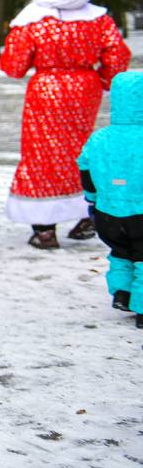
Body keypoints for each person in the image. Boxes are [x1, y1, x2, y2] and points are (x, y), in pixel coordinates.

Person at [2, 0, 131, 249]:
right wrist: (102, 81)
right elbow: (117, 54)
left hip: (46, 89)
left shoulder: (33, 18)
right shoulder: (97, 17)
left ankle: (44, 229)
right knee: (81, 148)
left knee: (41, 153)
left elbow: (14, 66)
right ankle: (87, 213)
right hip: (85, 88)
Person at [78, 71, 143, 328]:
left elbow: (85, 167)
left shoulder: (99, 138)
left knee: (121, 252)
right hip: (140, 213)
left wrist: (93, 198)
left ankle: (122, 293)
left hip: (108, 213)